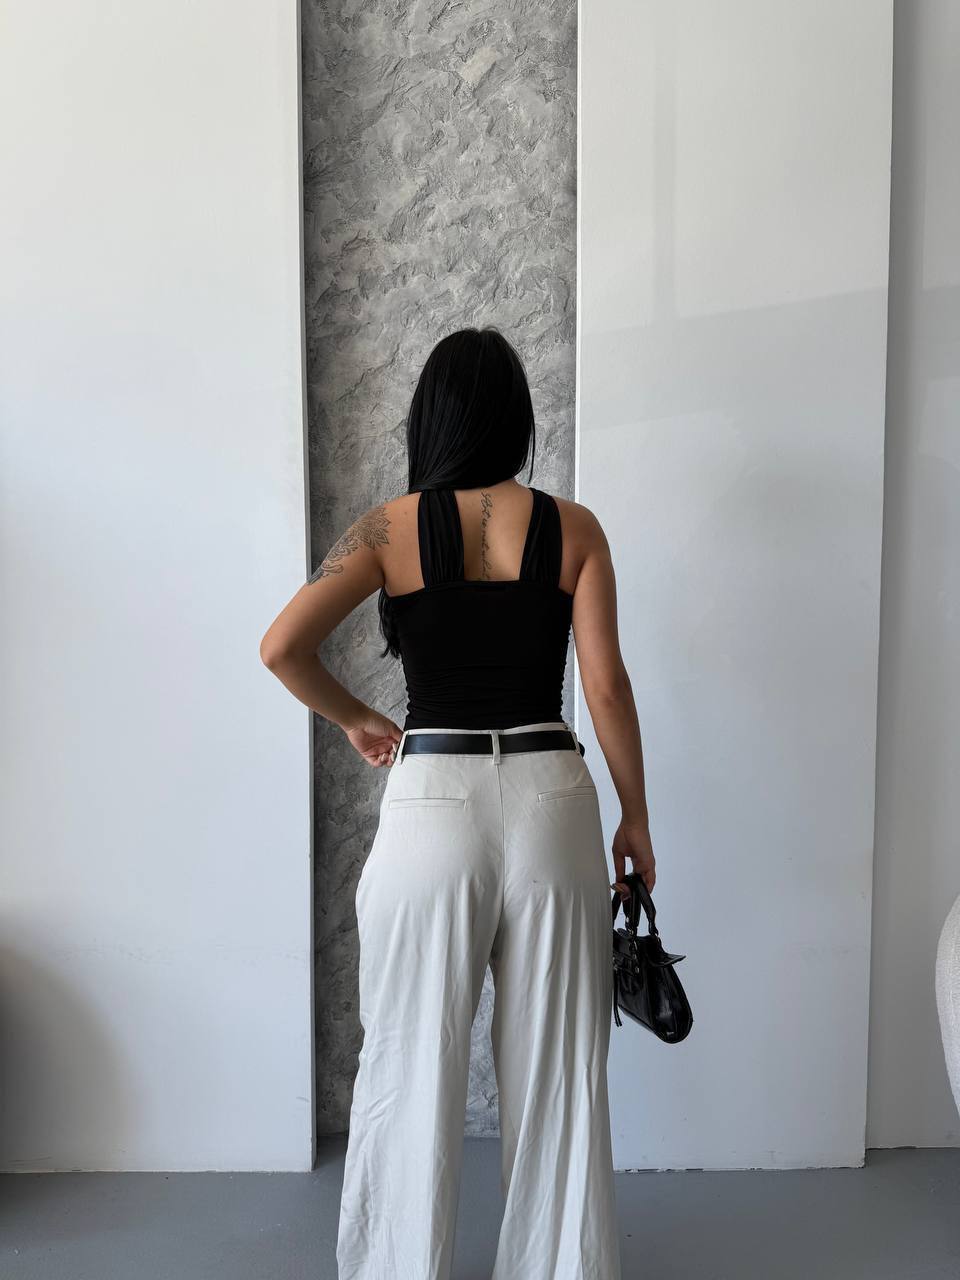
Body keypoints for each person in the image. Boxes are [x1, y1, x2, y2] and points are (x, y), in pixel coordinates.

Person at [260, 325, 654, 1280]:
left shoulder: (385, 530)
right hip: (551, 794)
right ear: (517, 418)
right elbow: (604, 687)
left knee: (409, 1058)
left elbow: (282, 648)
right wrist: (635, 817)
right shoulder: (577, 529)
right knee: (559, 1071)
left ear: (429, 419)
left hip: (432, 794)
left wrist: (358, 718)